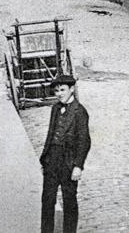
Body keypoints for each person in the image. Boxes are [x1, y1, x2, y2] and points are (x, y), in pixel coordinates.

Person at [40, 74, 91, 233]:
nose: (59, 94)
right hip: (52, 159)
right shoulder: (55, 108)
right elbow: (50, 134)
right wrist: (45, 158)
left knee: (69, 200)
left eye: (62, 90)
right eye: (56, 91)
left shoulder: (80, 111)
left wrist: (78, 166)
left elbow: (84, 141)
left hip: (68, 161)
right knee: (47, 200)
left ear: (71, 89)